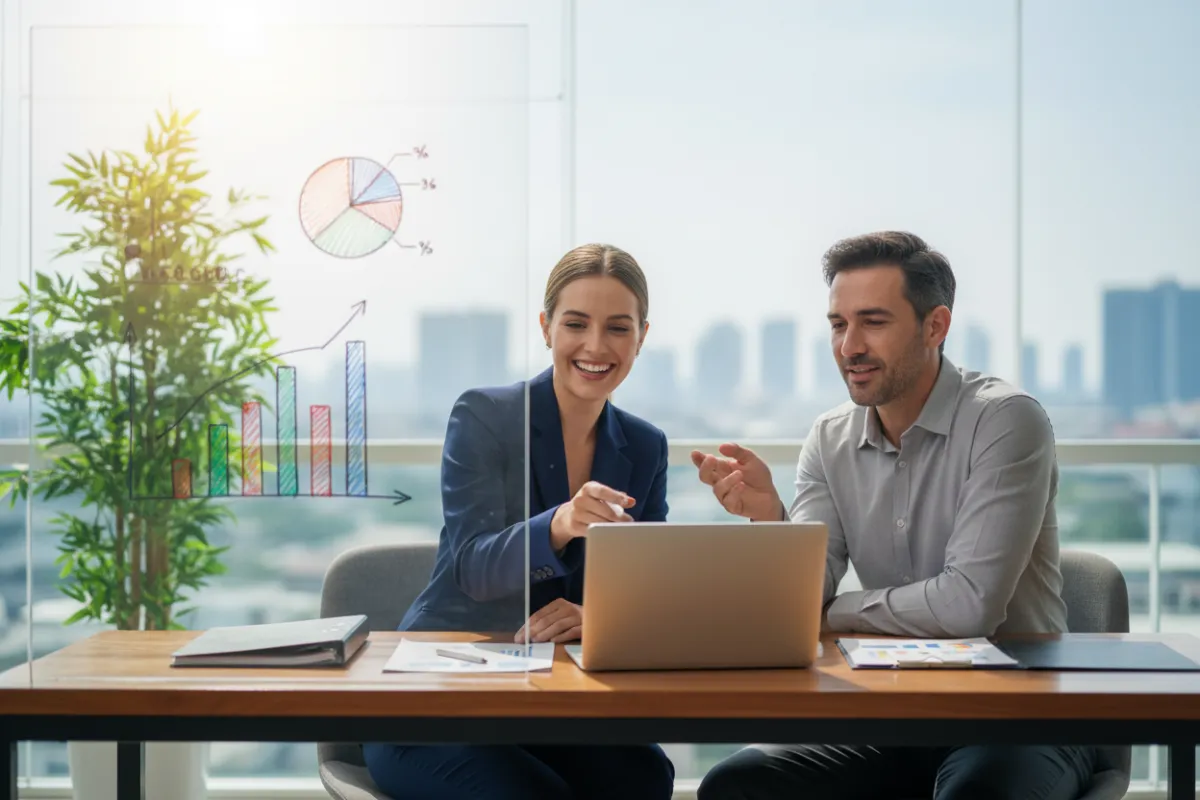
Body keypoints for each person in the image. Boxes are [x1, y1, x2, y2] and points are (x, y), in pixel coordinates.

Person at [691, 231, 1098, 800]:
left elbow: (969, 606)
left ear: (936, 326)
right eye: (838, 324)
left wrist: (836, 613)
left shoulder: (1005, 421)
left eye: (873, 322)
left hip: (1018, 715)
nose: (849, 346)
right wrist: (770, 520)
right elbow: (803, 601)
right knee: (737, 785)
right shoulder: (828, 438)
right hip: (894, 714)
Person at [362, 243, 675, 800]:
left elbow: (646, 585)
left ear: (641, 337)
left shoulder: (645, 445)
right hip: (437, 694)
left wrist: (598, 616)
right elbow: (472, 568)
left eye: (618, 328)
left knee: (644, 778)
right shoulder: (485, 416)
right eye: (575, 323)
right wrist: (559, 523)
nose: (596, 346)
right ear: (546, 327)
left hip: (550, 695)